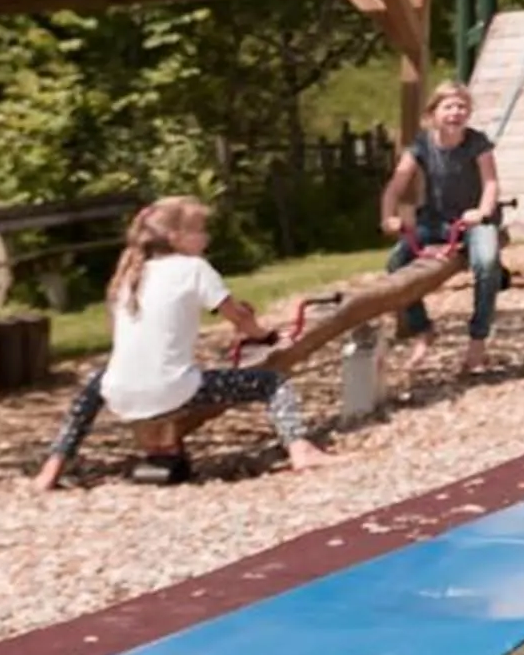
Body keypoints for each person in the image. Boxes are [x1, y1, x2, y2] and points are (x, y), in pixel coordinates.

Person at [33, 196, 328, 491]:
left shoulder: (128, 275)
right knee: (272, 382)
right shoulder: (195, 268)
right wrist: (265, 335)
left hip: (120, 392)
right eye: (200, 229)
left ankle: (53, 465)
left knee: (95, 386)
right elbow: (237, 317)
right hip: (173, 389)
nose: (207, 236)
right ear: (176, 237)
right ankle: (300, 449)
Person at [381, 83, 504, 375]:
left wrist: (483, 211)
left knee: (486, 263)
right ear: (433, 114)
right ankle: (423, 328)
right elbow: (395, 186)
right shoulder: (421, 146)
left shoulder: (477, 143)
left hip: (474, 221)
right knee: (396, 263)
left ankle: (477, 340)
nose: (455, 113)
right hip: (436, 221)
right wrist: (388, 217)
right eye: (448, 107)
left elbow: (491, 183)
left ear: (468, 113)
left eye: (462, 107)